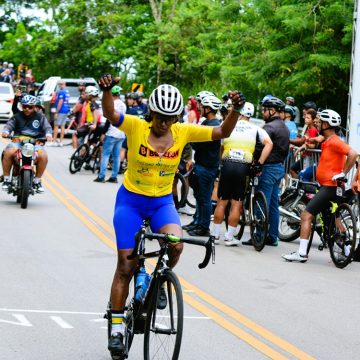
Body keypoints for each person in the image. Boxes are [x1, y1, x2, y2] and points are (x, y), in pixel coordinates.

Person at [98, 73, 246, 355]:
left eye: (170, 117)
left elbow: (222, 133)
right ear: (150, 113)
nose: (164, 122)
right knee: (125, 267)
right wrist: (106, 92)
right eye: (159, 116)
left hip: (162, 203)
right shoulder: (135, 126)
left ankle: (158, 281)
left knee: (176, 246)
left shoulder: (184, 132)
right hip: (131, 201)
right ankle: (117, 326)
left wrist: (235, 111)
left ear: (177, 117)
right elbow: (109, 113)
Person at [282, 109, 358, 262]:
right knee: (334, 220)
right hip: (330, 186)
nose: (317, 123)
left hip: (330, 186)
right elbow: (318, 139)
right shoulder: (328, 139)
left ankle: (302, 253)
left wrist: (343, 172)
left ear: (326, 124)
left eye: (320, 121)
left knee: (306, 215)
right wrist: (305, 145)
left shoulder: (335, 141)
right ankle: (347, 250)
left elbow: (353, 154)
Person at [211, 102, 273, 246]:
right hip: (243, 166)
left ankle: (214, 235)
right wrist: (260, 163)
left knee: (222, 201)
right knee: (237, 203)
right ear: (250, 115)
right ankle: (229, 237)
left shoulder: (228, 126)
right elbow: (269, 143)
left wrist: (223, 161)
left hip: (227, 163)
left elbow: (221, 146)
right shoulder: (256, 128)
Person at [243, 96, 290, 247]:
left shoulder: (269, 128)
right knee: (273, 204)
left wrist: (255, 162)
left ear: (272, 110)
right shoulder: (283, 127)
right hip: (279, 168)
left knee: (260, 202)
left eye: (265, 109)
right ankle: (273, 236)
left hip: (268, 168)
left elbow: (259, 147)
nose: (263, 112)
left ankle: (258, 235)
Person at [184, 95, 222, 237]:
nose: (200, 108)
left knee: (205, 198)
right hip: (201, 164)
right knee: (199, 196)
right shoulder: (207, 122)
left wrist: (192, 141)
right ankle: (198, 222)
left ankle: (203, 227)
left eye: (202, 106)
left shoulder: (213, 125)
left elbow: (198, 144)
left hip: (207, 167)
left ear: (208, 108)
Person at [1, 95, 53, 193]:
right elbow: (9, 126)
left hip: (35, 143)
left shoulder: (40, 117)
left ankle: (37, 181)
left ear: (34, 107)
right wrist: (6, 132)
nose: (27, 109)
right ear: (22, 106)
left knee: (43, 156)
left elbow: (47, 127)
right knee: (8, 152)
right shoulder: (16, 116)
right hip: (18, 143)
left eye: (30, 107)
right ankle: (7, 180)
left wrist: (49, 134)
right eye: (25, 106)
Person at [94, 85, 126, 183]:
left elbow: (109, 119)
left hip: (111, 132)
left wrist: (103, 133)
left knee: (105, 155)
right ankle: (114, 176)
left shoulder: (112, 104)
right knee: (116, 156)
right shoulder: (123, 104)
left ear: (111, 94)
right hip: (121, 133)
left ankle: (101, 176)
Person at [52, 80, 70, 147]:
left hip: (61, 110)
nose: (60, 85)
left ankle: (54, 141)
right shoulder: (67, 91)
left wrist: (56, 112)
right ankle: (61, 141)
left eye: (61, 84)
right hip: (65, 110)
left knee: (56, 125)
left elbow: (60, 102)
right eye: (59, 84)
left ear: (64, 84)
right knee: (62, 126)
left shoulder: (61, 92)